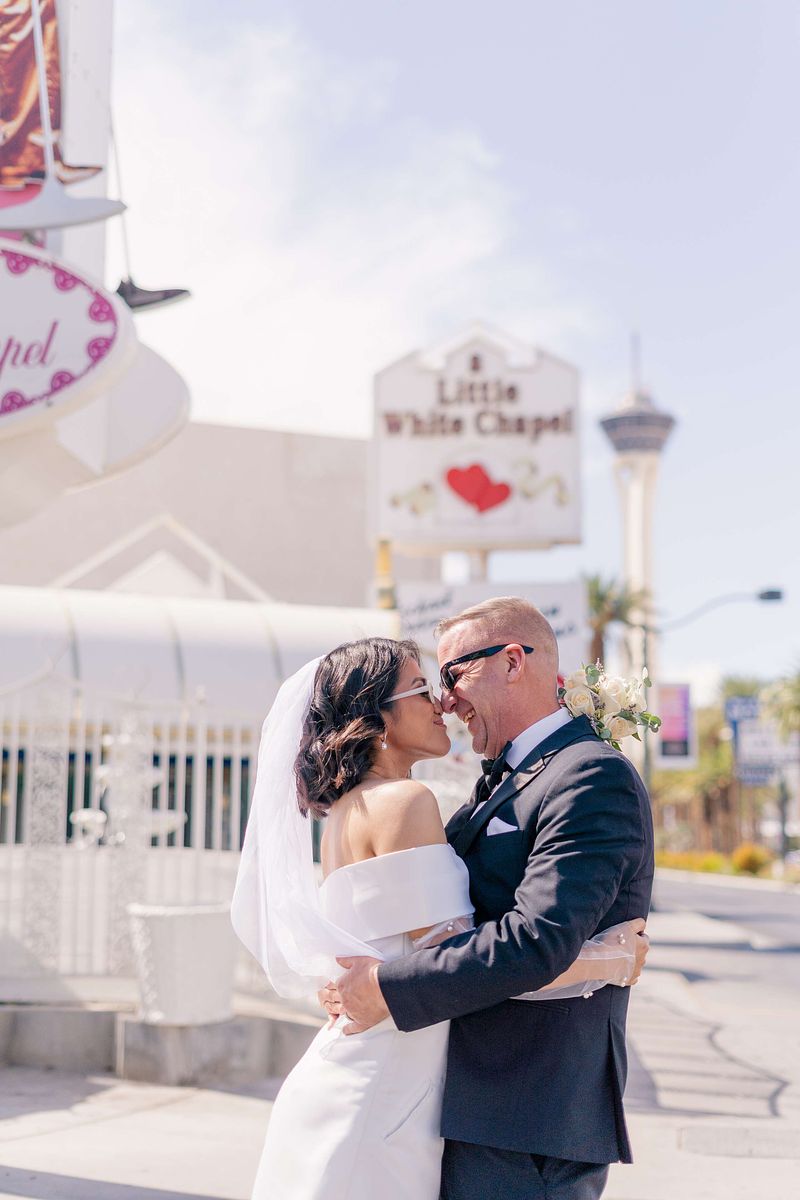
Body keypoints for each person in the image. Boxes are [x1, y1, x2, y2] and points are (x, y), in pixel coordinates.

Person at [231, 625, 650, 1200]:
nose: (442, 702)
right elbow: (464, 957)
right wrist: (607, 960)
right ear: (376, 717)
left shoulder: (351, 812)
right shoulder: (405, 802)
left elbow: (414, 956)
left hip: (383, 1078)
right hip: (389, 1091)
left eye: (446, 681)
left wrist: (372, 981)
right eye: (424, 689)